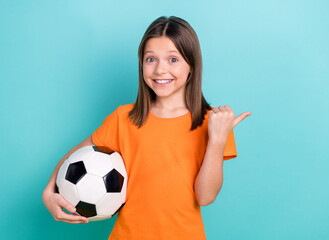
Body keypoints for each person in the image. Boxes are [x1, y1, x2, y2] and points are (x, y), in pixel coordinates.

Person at [42, 16, 251, 239]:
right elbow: (73, 158)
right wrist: (49, 192)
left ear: (191, 65)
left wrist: (218, 140)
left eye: (173, 59)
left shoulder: (213, 122)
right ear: (142, 63)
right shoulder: (123, 118)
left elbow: (206, 197)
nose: (160, 69)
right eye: (151, 59)